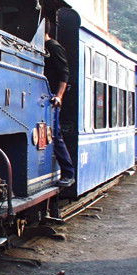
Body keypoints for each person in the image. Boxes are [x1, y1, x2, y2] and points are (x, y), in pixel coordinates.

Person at [43, 28, 75, 188]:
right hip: (45, 96)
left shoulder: (53, 47)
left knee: (55, 134)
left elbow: (64, 73)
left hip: (52, 97)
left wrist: (59, 96)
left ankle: (68, 173)